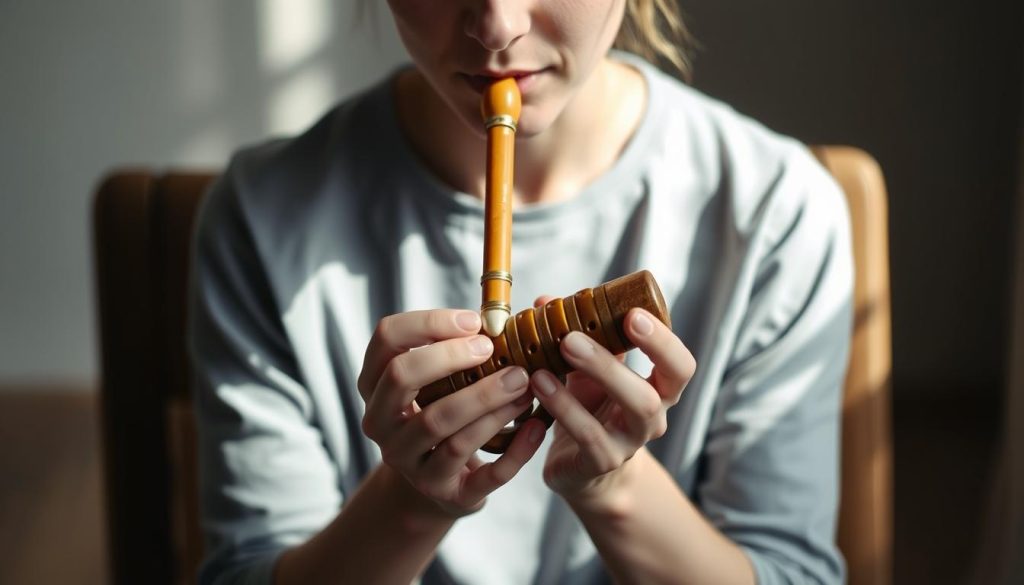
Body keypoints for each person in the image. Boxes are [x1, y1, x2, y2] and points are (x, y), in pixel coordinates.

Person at [189, 1, 854, 583]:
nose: (497, 25)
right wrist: (411, 502)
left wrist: (616, 488)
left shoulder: (774, 215)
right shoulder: (260, 218)